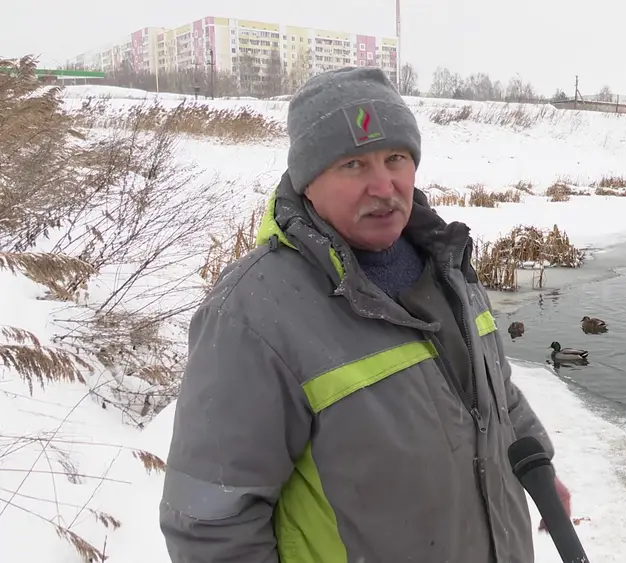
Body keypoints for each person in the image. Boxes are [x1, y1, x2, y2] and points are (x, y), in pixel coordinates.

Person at [159, 66, 571, 563]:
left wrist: (537, 469)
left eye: (395, 158)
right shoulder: (251, 315)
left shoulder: (448, 266)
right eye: (353, 164)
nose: (383, 186)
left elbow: (495, 390)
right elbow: (211, 524)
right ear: (308, 180)